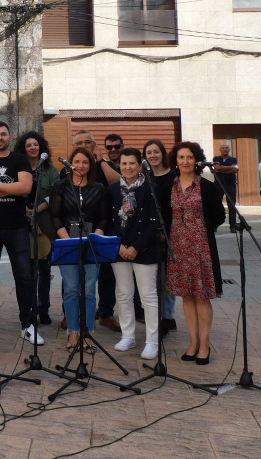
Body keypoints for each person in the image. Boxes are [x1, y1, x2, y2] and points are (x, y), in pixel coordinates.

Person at [0, 121, 41, 345]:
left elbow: (26, 188)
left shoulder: (20, 159)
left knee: (24, 276)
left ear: (10, 137)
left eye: (3, 134)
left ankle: (27, 325)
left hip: (17, 227)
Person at [165, 141, 225, 365]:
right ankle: (192, 342)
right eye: (181, 157)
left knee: (201, 296)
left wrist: (200, 229)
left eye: (190, 157)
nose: (185, 161)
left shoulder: (205, 186)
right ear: (176, 161)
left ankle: (205, 344)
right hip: (179, 248)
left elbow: (219, 215)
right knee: (187, 296)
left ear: (196, 160)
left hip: (201, 248)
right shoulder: (171, 185)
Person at [50, 147, 109, 353]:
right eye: (77, 161)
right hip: (69, 243)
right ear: (70, 164)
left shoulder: (99, 188)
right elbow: (55, 215)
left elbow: (104, 217)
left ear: (90, 165)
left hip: (92, 244)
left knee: (90, 291)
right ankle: (74, 330)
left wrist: (96, 237)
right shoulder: (60, 186)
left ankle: (88, 331)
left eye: (85, 162)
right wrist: (66, 239)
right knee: (72, 290)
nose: (81, 165)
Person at [107, 149, 160, 360]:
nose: (128, 167)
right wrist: (118, 245)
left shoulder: (151, 189)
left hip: (144, 249)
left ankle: (152, 341)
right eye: (124, 163)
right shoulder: (112, 190)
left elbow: (153, 224)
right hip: (119, 249)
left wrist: (136, 247)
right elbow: (108, 220)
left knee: (148, 296)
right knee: (124, 294)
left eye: (132, 163)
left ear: (140, 165)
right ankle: (128, 336)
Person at [68, 130, 120, 332]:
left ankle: (105, 313)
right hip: (75, 228)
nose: (84, 144)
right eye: (80, 142)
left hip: (103, 226)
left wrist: (101, 160)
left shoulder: (103, 165)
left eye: (88, 142)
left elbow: (117, 181)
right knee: (72, 275)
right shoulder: (69, 168)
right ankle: (70, 315)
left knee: (106, 274)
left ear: (94, 144)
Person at [14, 131, 60, 325]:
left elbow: (57, 194)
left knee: (44, 269)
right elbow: (16, 192)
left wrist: (37, 212)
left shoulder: (50, 169)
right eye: (28, 145)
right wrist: (26, 213)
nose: (33, 148)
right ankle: (29, 307)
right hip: (22, 224)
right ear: (23, 149)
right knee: (26, 270)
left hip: (46, 224)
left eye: (36, 144)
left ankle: (43, 307)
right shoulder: (18, 167)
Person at [143, 139, 176, 337]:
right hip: (150, 233)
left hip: (168, 233)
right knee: (154, 279)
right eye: (149, 153)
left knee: (166, 278)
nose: (153, 156)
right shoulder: (145, 176)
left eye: (156, 151)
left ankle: (168, 317)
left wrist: (166, 232)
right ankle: (159, 317)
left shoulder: (173, 177)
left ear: (162, 153)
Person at [212, 144, 239, 233]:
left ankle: (233, 226)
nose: (225, 149)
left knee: (231, 205)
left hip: (230, 184)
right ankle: (215, 225)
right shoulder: (216, 159)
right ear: (220, 149)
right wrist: (229, 168)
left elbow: (235, 170)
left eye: (226, 148)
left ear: (229, 149)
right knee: (216, 205)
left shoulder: (233, 159)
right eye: (223, 148)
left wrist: (221, 169)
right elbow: (216, 168)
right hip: (218, 185)